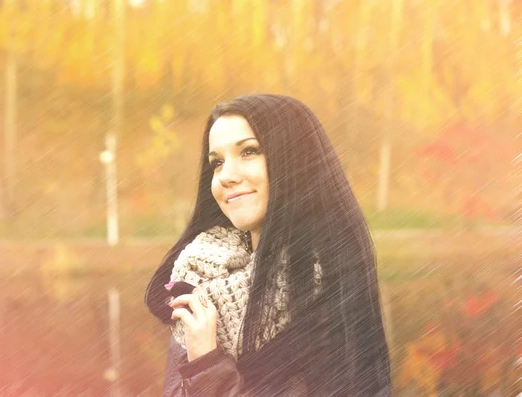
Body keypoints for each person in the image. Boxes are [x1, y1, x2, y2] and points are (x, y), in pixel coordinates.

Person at [144, 94, 391, 396]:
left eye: (249, 151)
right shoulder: (200, 281)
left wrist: (207, 367)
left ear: (295, 162)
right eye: (217, 163)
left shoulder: (326, 291)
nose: (226, 177)